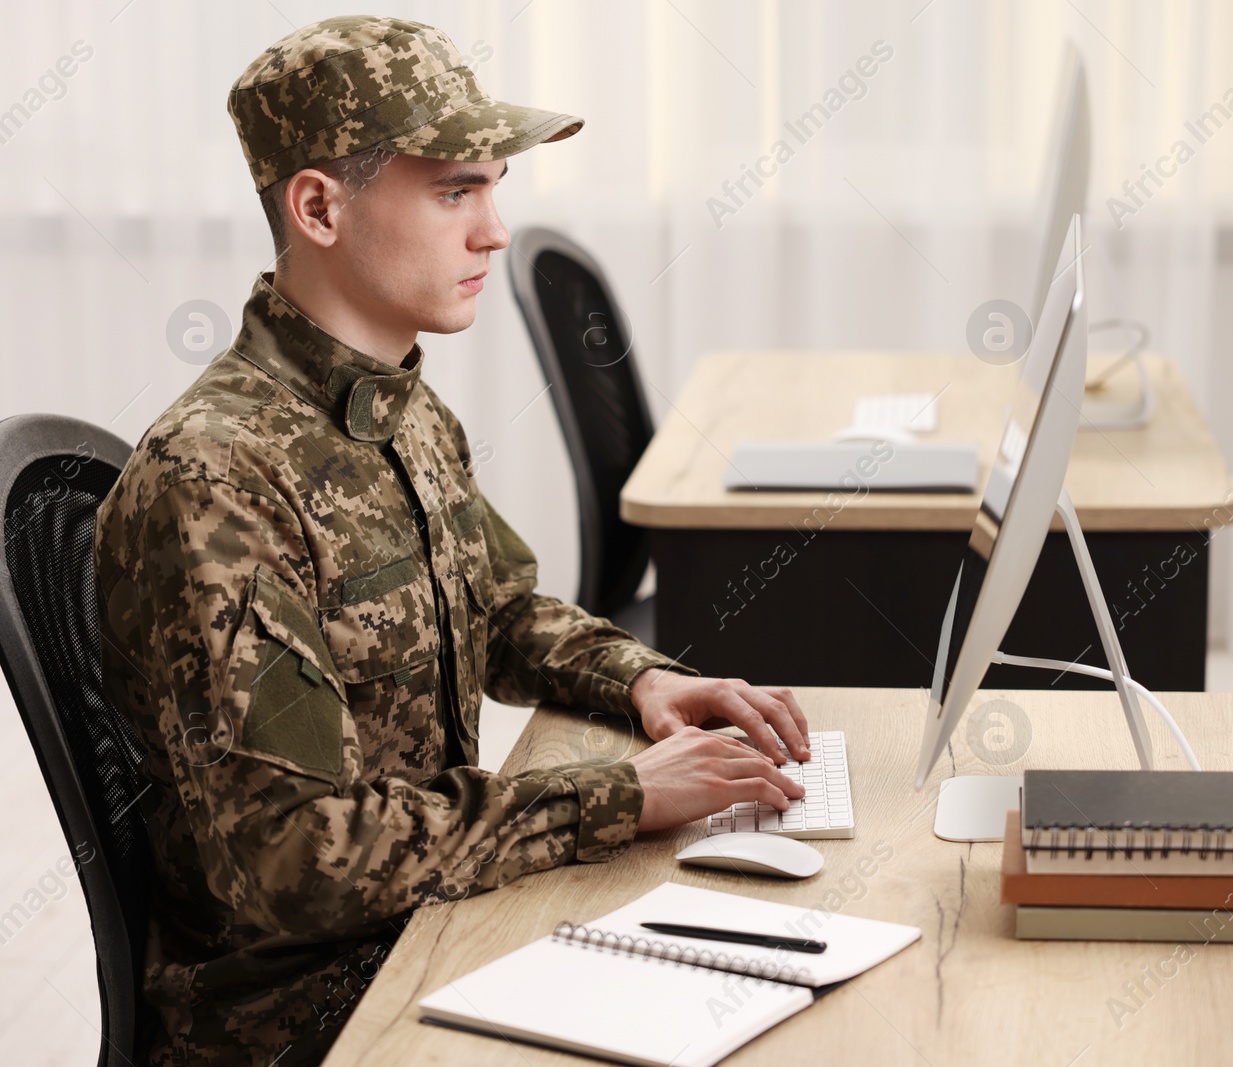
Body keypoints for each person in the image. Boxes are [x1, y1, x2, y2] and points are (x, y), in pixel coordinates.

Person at [93, 15, 809, 1066]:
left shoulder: (401, 411)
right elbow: (300, 855)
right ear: (319, 206)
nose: (495, 231)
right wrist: (617, 796)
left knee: (768, 976)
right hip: (310, 1018)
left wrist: (640, 682)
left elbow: (502, 605)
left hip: (429, 931)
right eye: (454, 191)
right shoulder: (217, 481)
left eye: (493, 187)